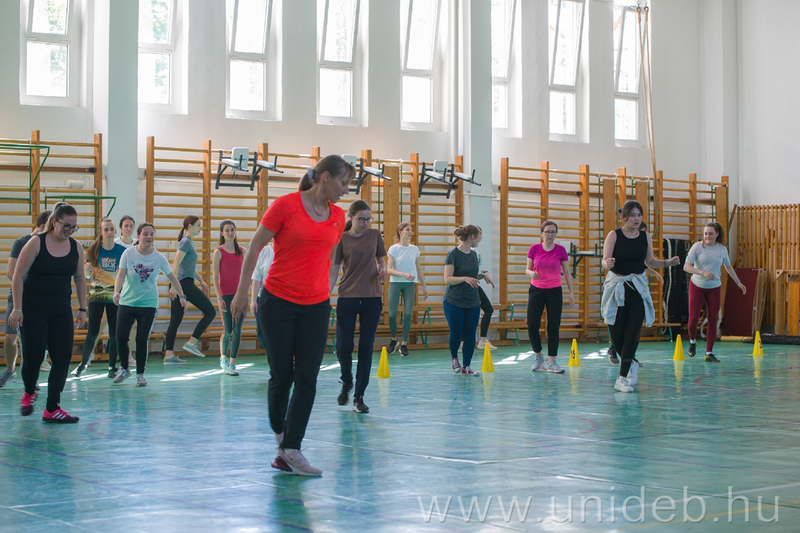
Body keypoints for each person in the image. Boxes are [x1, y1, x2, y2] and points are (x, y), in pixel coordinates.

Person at [229, 155, 355, 476]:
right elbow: (254, 247)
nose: (346, 190)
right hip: (278, 303)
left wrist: (327, 287)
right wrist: (242, 293)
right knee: (282, 376)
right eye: (343, 183)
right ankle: (280, 433)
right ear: (325, 177)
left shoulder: (339, 216)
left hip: (316, 306)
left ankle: (290, 449)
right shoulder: (285, 206)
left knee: (307, 377)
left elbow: (328, 258)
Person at [10, 203, 87, 422]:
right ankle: (29, 392)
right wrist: (17, 309)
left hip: (61, 310)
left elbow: (80, 278)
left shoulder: (76, 247)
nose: (70, 230)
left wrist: (82, 308)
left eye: (74, 227)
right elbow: (17, 276)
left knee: (62, 358)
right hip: (33, 309)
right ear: (54, 222)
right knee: (33, 358)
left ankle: (52, 408)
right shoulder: (36, 242)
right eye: (66, 226)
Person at [601, 201, 679, 393]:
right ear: (624, 217)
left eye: (639, 215)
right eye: (632, 215)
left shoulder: (645, 236)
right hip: (617, 287)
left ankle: (622, 377)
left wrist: (667, 263)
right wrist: (608, 263)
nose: (636, 219)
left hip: (637, 288)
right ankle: (631, 363)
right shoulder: (614, 235)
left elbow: (649, 261)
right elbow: (605, 261)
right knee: (616, 332)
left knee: (632, 331)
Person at [330, 200, 386, 413]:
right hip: (348, 297)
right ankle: (347, 380)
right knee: (343, 346)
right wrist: (324, 295)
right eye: (361, 219)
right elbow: (334, 271)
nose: (365, 223)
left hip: (372, 297)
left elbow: (381, 260)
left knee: (366, 347)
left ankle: (359, 397)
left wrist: (382, 270)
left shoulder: (375, 235)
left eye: (368, 219)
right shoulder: (341, 239)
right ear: (351, 217)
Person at [113, 223, 187, 385]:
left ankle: (140, 373)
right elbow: (120, 274)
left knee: (142, 339)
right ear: (138, 236)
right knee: (120, 337)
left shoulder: (159, 257)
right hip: (127, 302)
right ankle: (124, 369)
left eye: (152, 234)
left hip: (148, 304)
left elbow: (172, 277)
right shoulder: (128, 253)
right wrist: (116, 291)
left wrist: (181, 295)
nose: (149, 237)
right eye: (145, 234)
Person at [0, 210, 51, 388]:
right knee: (10, 337)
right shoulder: (21, 242)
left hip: (38, 299)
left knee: (32, 340)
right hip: (18, 295)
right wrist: (24, 283)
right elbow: (10, 272)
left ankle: (30, 376)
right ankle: (9, 369)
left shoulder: (49, 244)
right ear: (44, 225)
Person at [71, 218, 126, 378]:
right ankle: (83, 364)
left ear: (115, 231)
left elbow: (125, 274)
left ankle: (112, 367)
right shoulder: (94, 250)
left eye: (111, 229)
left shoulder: (122, 251)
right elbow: (88, 276)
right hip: (97, 296)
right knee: (93, 332)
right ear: (101, 232)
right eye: (106, 229)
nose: (109, 232)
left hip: (114, 296)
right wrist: (87, 269)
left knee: (114, 334)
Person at [683, 222, 746, 362]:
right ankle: (692, 341)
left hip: (714, 287)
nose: (707, 236)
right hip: (697, 286)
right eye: (705, 233)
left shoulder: (722, 249)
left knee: (713, 319)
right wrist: (702, 272)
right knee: (693, 319)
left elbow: (728, 267)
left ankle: (709, 352)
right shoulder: (697, 247)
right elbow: (686, 267)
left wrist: (738, 282)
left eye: (711, 234)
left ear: (717, 234)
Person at [164, 215, 216, 363]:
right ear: (190, 226)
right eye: (198, 225)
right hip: (183, 284)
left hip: (185, 282)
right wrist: (174, 286)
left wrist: (201, 281)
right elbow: (175, 263)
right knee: (210, 311)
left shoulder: (189, 242)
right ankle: (192, 342)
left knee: (175, 320)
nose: (200, 228)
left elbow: (189, 266)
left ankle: (169, 355)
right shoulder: (185, 242)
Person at [526, 220, 575, 374]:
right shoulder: (534, 249)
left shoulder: (560, 250)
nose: (550, 235)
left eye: (553, 232)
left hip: (554, 291)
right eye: (547, 231)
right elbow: (527, 269)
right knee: (532, 325)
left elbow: (566, 272)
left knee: (553, 326)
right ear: (542, 233)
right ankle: (539, 356)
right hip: (537, 290)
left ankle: (552, 361)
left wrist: (571, 292)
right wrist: (531, 273)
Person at [444, 225, 484, 377]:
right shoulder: (453, 254)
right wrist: (464, 279)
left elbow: (472, 275)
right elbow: (448, 278)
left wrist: (483, 276)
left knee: (470, 333)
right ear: (472, 237)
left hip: (472, 300)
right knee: (456, 332)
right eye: (479, 235)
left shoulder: (474, 254)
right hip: (454, 300)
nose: (480, 238)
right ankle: (454, 357)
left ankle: (466, 366)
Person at [385, 222, 427, 356]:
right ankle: (394, 339)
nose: (410, 232)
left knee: (408, 314)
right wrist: (403, 274)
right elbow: (389, 269)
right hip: (395, 283)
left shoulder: (414, 249)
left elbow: (418, 269)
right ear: (400, 232)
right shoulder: (394, 249)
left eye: (411, 230)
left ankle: (404, 343)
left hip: (410, 284)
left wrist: (424, 285)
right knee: (392, 314)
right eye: (407, 230)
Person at [212, 219, 247, 376]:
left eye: (232, 229)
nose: (230, 233)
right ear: (222, 233)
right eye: (227, 230)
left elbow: (247, 273)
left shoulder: (242, 251)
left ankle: (232, 363)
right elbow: (215, 276)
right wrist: (219, 297)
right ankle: (223, 357)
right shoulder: (218, 252)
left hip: (239, 296)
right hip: (225, 296)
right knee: (228, 330)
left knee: (238, 330)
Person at [474, 230, 497, 351]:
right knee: (486, 310)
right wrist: (483, 275)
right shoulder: (470, 251)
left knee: (487, 310)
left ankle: (482, 339)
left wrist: (484, 272)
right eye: (479, 233)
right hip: (470, 286)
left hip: (475, 285)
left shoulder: (476, 250)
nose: (481, 236)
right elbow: (469, 272)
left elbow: (475, 269)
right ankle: (465, 341)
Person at [250, 244, 274, 354]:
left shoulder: (290, 250)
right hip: (263, 298)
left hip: (282, 299)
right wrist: (253, 300)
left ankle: (283, 358)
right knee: (261, 332)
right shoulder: (264, 251)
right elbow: (257, 277)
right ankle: (276, 356)